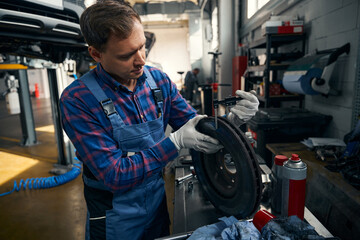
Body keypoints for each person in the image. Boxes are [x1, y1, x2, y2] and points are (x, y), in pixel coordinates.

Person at [59, 1, 259, 239]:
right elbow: (114, 175)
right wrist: (173, 143)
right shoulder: (78, 100)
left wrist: (231, 123)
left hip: (156, 205)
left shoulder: (158, 81)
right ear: (96, 53)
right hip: (114, 217)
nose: (141, 60)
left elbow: (197, 128)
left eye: (142, 47)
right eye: (126, 55)